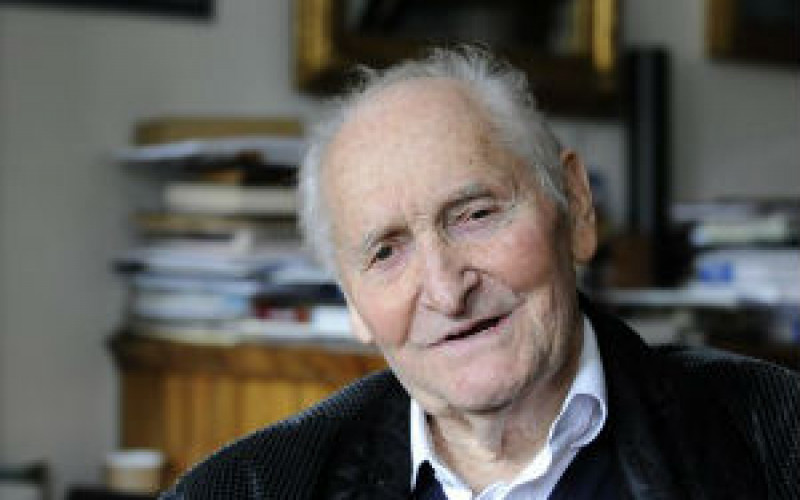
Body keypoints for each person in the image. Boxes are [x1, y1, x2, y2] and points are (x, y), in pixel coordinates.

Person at [160, 47, 799, 499]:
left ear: (576, 206)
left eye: (475, 215)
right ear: (352, 302)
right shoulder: (245, 488)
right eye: (385, 252)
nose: (446, 290)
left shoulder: (777, 439)